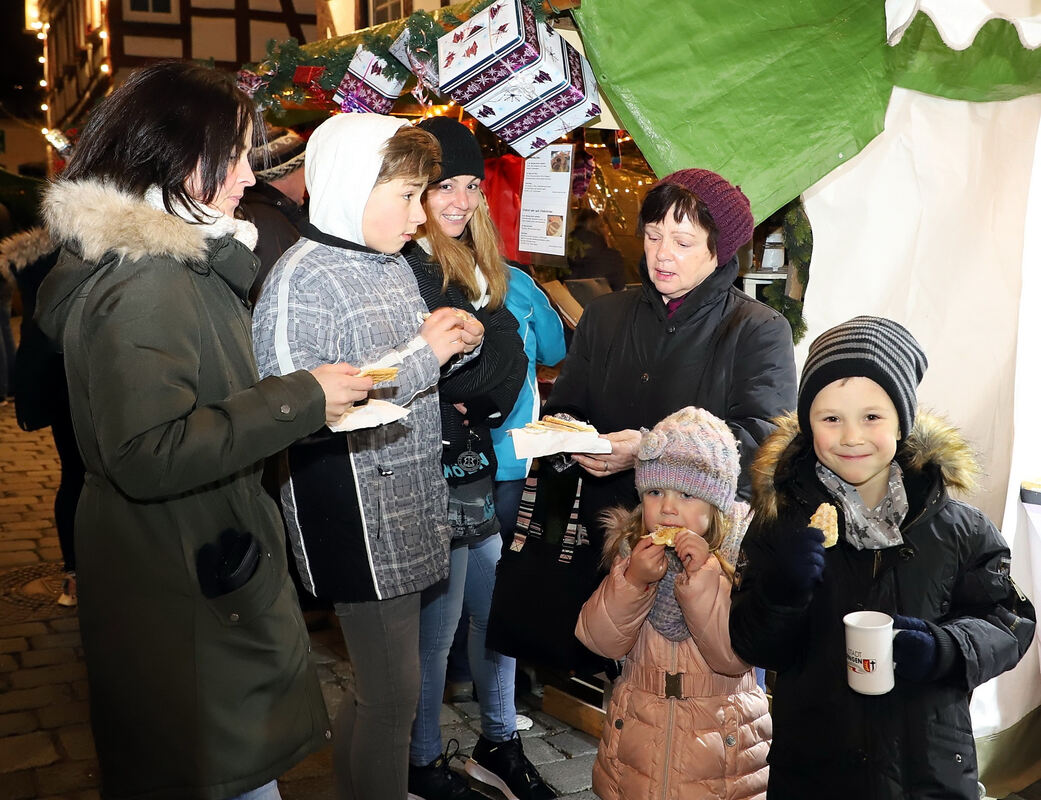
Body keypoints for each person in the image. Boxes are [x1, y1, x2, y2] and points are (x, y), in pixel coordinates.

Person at [33, 61, 372, 800]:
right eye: (240, 153)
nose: (249, 175)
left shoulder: (178, 261)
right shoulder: (150, 279)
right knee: (217, 771)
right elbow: (146, 453)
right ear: (186, 157)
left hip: (188, 559)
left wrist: (306, 400)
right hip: (184, 572)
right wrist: (298, 399)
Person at [251, 112, 484, 800]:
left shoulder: (384, 263)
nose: (420, 215)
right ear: (353, 187)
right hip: (349, 510)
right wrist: (425, 353)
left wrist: (443, 335)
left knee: (385, 689)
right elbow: (297, 406)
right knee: (393, 696)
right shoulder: (302, 277)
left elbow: (394, 359)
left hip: (406, 501)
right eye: (407, 196)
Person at [728, 316, 1036, 800]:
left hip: (926, 772)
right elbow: (754, 645)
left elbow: (1008, 621)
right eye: (831, 418)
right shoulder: (782, 525)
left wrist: (944, 647)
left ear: (902, 420)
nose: (851, 436)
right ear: (808, 426)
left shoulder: (959, 528)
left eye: (872, 417)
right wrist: (781, 593)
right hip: (815, 770)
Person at [538, 168, 797, 667]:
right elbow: (568, 408)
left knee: (708, 690)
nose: (661, 254)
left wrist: (645, 450)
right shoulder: (607, 316)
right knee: (630, 692)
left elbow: (762, 444)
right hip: (616, 542)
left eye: (682, 241)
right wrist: (572, 442)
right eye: (654, 236)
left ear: (718, 250)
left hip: (709, 548)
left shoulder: (758, 330)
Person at [400, 116, 553, 800]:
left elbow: (501, 367)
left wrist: (484, 367)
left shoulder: (480, 266)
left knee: (498, 614)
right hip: (432, 479)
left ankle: (497, 743)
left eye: (468, 185)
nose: (460, 200)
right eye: (442, 187)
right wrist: (482, 372)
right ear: (415, 192)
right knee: (436, 633)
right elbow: (465, 379)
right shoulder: (412, 265)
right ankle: (422, 763)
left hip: (475, 467)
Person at [576, 406, 770, 800]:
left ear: (716, 503)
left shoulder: (740, 561)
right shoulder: (633, 553)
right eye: (654, 492)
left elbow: (731, 657)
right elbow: (599, 640)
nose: (667, 507)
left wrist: (702, 579)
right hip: (637, 747)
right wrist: (632, 581)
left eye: (686, 494)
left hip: (719, 754)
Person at [4, 227, 83, 606]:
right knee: (87, 476)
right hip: (81, 375)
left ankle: (75, 575)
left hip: (54, 377)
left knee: (73, 475)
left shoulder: (32, 259)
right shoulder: (86, 248)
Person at [490, 263, 567, 536]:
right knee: (502, 529)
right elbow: (554, 349)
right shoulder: (517, 280)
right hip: (511, 428)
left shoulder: (421, 270)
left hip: (450, 435)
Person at [236, 125, 308, 304]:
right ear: (284, 173)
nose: (308, 176)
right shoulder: (269, 223)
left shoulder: (263, 211)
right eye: (304, 167)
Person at [565, 208, 626, 292]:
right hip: (602, 303)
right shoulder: (612, 257)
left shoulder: (563, 253)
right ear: (600, 228)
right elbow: (620, 290)